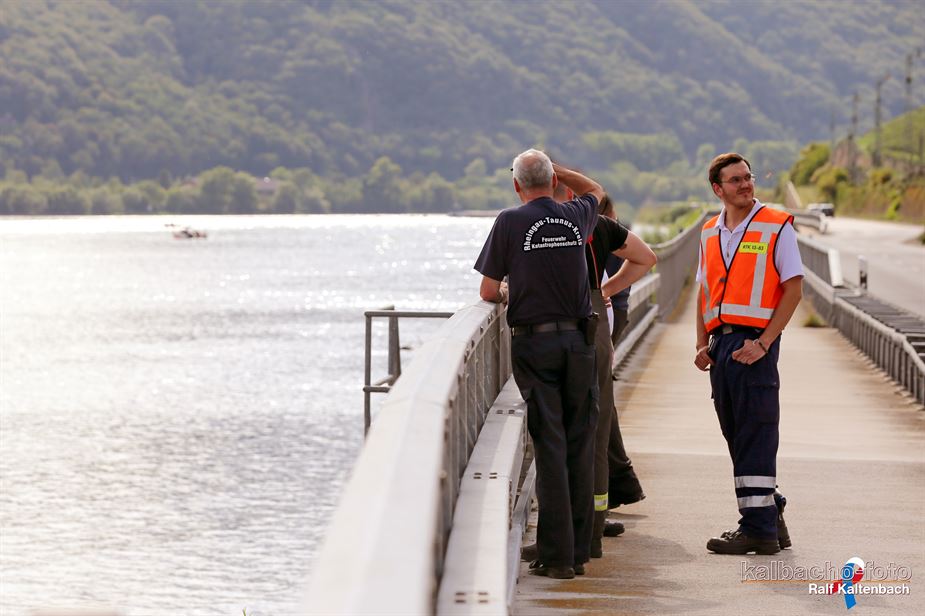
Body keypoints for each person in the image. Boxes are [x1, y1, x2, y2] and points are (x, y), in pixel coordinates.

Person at [475, 149, 602, 580]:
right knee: (580, 443)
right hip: (579, 343)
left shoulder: (509, 222)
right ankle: (579, 551)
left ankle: (557, 556)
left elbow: (488, 290)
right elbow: (595, 189)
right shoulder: (576, 214)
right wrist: (559, 170)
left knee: (549, 443)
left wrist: (508, 293)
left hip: (534, 345)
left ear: (516, 185)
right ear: (554, 182)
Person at [694, 153, 803, 555]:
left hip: (755, 346)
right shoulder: (709, 232)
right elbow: (705, 291)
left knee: (756, 433)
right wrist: (701, 343)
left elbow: (793, 290)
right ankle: (769, 512)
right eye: (735, 180)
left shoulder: (776, 225)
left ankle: (757, 530)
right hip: (720, 347)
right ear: (718, 189)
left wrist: (764, 343)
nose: (745, 184)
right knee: (737, 436)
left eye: (748, 177)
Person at [560, 186, 655, 558]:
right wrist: (606, 291)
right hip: (601, 325)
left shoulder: (581, 226)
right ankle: (595, 527)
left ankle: (579, 525)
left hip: (582, 330)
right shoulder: (602, 226)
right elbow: (646, 257)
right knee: (599, 429)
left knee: (572, 432)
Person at [598, 196, 647, 538]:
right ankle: (619, 484)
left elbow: (646, 258)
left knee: (597, 409)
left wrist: (603, 291)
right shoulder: (613, 232)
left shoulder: (598, 232)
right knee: (602, 406)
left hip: (602, 317)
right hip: (611, 313)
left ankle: (607, 495)